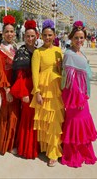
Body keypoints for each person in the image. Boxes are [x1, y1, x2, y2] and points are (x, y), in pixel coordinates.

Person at [61, 20, 97, 168]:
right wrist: (79, 99)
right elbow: (70, 82)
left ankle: (83, 152)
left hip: (82, 96)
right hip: (74, 99)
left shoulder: (80, 52)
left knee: (83, 123)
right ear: (71, 38)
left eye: (81, 37)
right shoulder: (69, 54)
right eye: (76, 37)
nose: (79, 40)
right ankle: (72, 154)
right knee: (75, 123)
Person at [30, 19, 64, 167]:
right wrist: (37, 92)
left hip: (56, 90)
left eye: (50, 35)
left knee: (55, 121)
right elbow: (35, 74)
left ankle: (54, 153)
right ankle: (46, 149)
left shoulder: (58, 50)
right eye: (45, 35)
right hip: (43, 91)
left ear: (54, 35)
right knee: (45, 122)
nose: (47, 37)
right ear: (41, 36)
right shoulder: (38, 52)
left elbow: (60, 69)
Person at [10, 20, 39, 159]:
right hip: (26, 90)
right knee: (27, 117)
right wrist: (24, 94)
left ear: (37, 36)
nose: (30, 38)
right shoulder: (21, 51)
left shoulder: (39, 51)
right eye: (27, 36)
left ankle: (37, 145)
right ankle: (25, 146)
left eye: (32, 36)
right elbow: (19, 77)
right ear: (24, 36)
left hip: (38, 89)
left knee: (37, 117)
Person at [0, 15, 20, 155]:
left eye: (12, 31)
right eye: (7, 31)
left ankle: (9, 139)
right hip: (7, 87)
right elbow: (0, 73)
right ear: (2, 32)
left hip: (15, 86)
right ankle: (7, 144)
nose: (9, 34)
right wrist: (7, 89)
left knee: (13, 113)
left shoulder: (13, 47)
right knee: (9, 114)